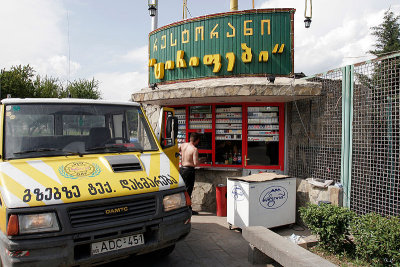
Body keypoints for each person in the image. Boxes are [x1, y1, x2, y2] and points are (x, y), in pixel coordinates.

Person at [179, 132, 200, 215]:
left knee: (182, 190)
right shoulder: (194, 149)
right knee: (188, 190)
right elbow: (195, 163)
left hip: (182, 169)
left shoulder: (183, 145)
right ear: (197, 140)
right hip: (189, 171)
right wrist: (200, 160)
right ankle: (187, 209)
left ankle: (184, 207)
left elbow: (176, 152)